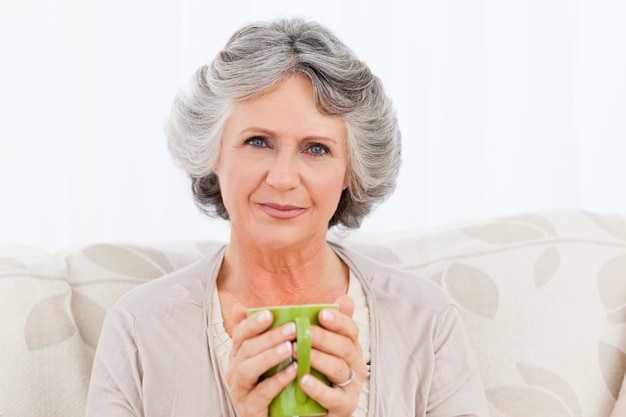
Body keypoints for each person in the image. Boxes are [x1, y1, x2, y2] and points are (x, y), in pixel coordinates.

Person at [85, 18, 489, 417]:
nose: (282, 178)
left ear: (352, 170)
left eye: (316, 149)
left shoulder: (425, 320)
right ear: (213, 153)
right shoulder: (140, 327)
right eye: (257, 141)